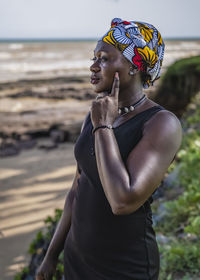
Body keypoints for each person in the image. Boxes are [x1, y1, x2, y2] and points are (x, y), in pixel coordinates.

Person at [36, 18, 182, 280]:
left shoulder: (161, 123)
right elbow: (77, 188)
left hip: (123, 267)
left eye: (103, 58)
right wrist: (51, 256)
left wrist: (104, 127)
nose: (92, 66)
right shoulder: (95, 116)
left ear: (135, 66)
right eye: (94, 57)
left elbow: (123, 201)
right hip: (77, 260)